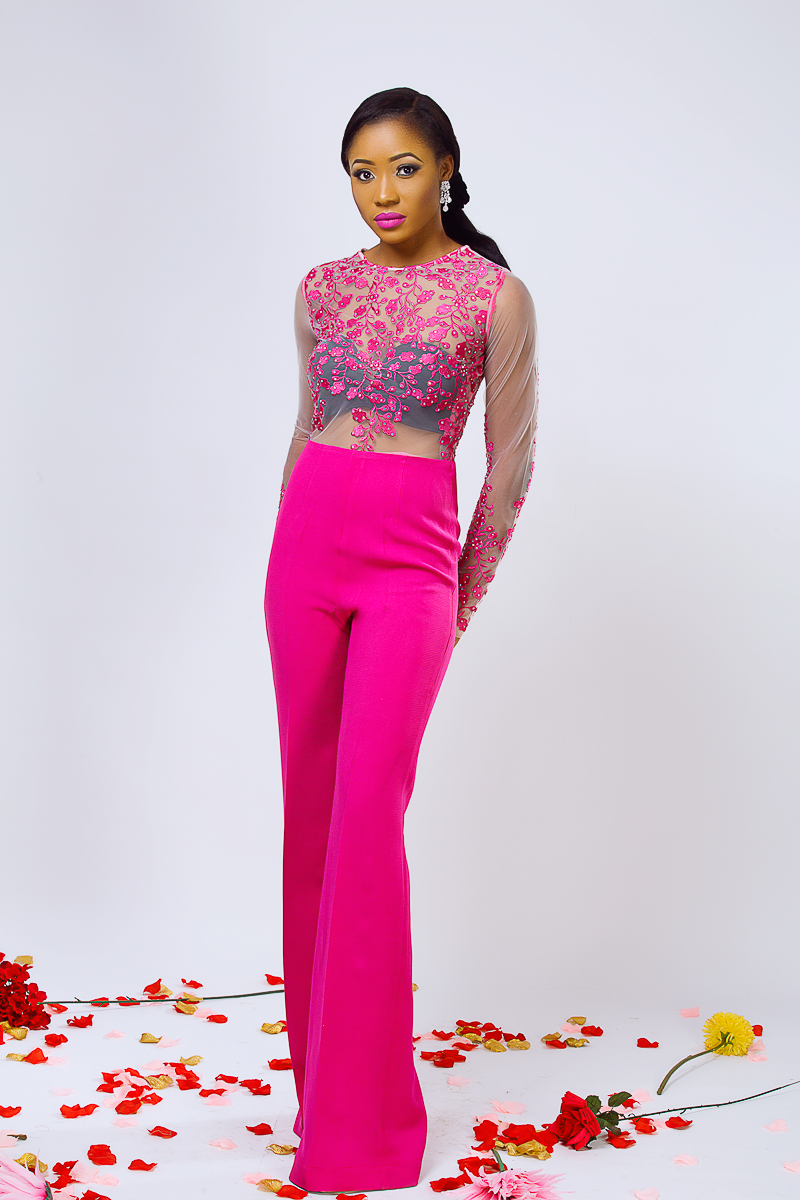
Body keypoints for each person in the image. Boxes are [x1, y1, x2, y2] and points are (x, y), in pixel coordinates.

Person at [264, 87, 539, 1193]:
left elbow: (510, 466)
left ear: (446, 170)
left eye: (404, 168)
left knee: (368, 817)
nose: (382, 192)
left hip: (411, 569)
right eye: (362, 172)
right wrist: (281, 547)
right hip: (304, 556)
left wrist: (455, 600)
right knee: (312, 810)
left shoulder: (495, 296)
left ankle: (368, 1126)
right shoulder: (320, 290)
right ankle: (319, 1089)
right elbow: (303, 429)